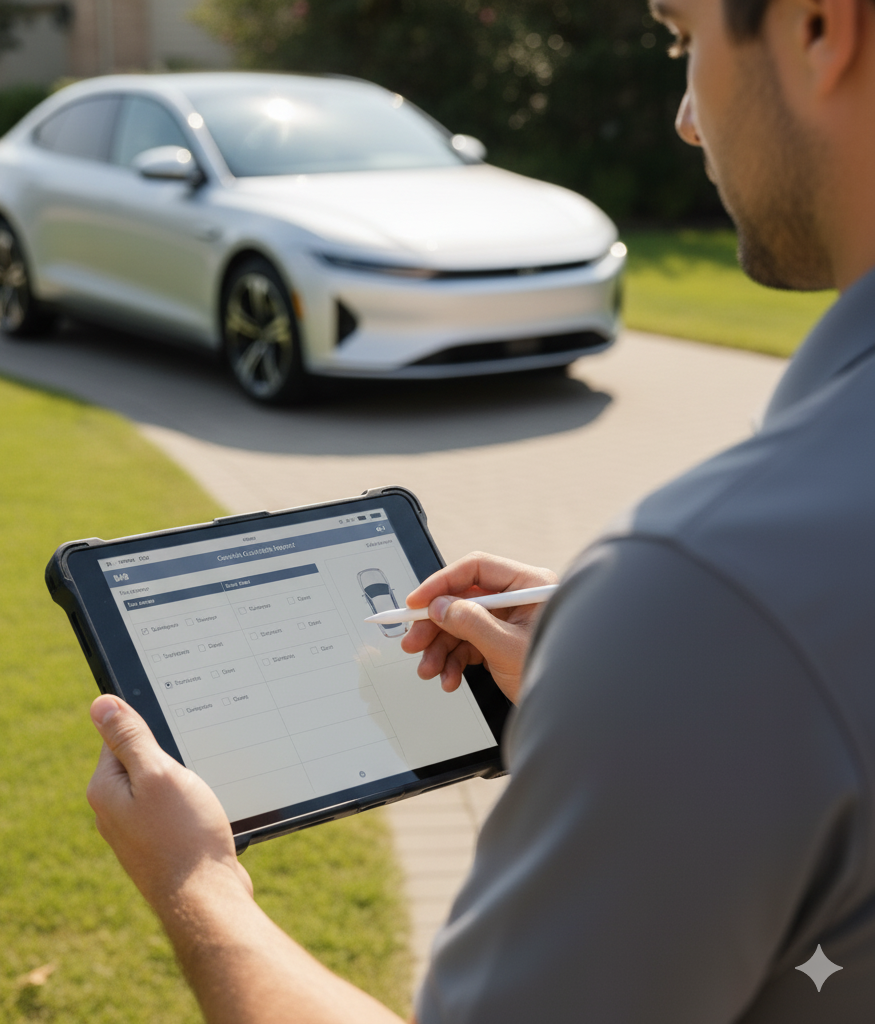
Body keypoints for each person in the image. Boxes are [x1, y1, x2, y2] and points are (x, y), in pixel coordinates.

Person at [85, 0, 875, 1019]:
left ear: (819, 26)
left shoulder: (709, 594)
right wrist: (625, 696)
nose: (685, 115)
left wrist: (198, 885)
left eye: (684, 38)